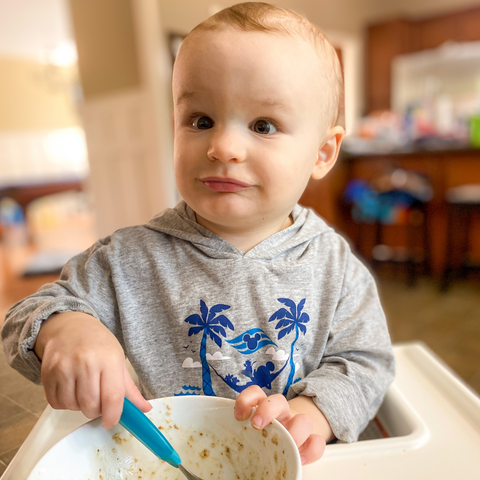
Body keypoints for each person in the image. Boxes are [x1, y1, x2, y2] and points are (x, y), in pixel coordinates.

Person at [1, 2, 394, 465]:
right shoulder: (127, 259)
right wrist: (64, 329)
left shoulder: (335, 266)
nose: (222, 146)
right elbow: (22, 319)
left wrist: (318, 409)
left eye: (263, 125)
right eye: (201, 120)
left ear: (323, 153)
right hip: (172, 461)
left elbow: (367, 362)